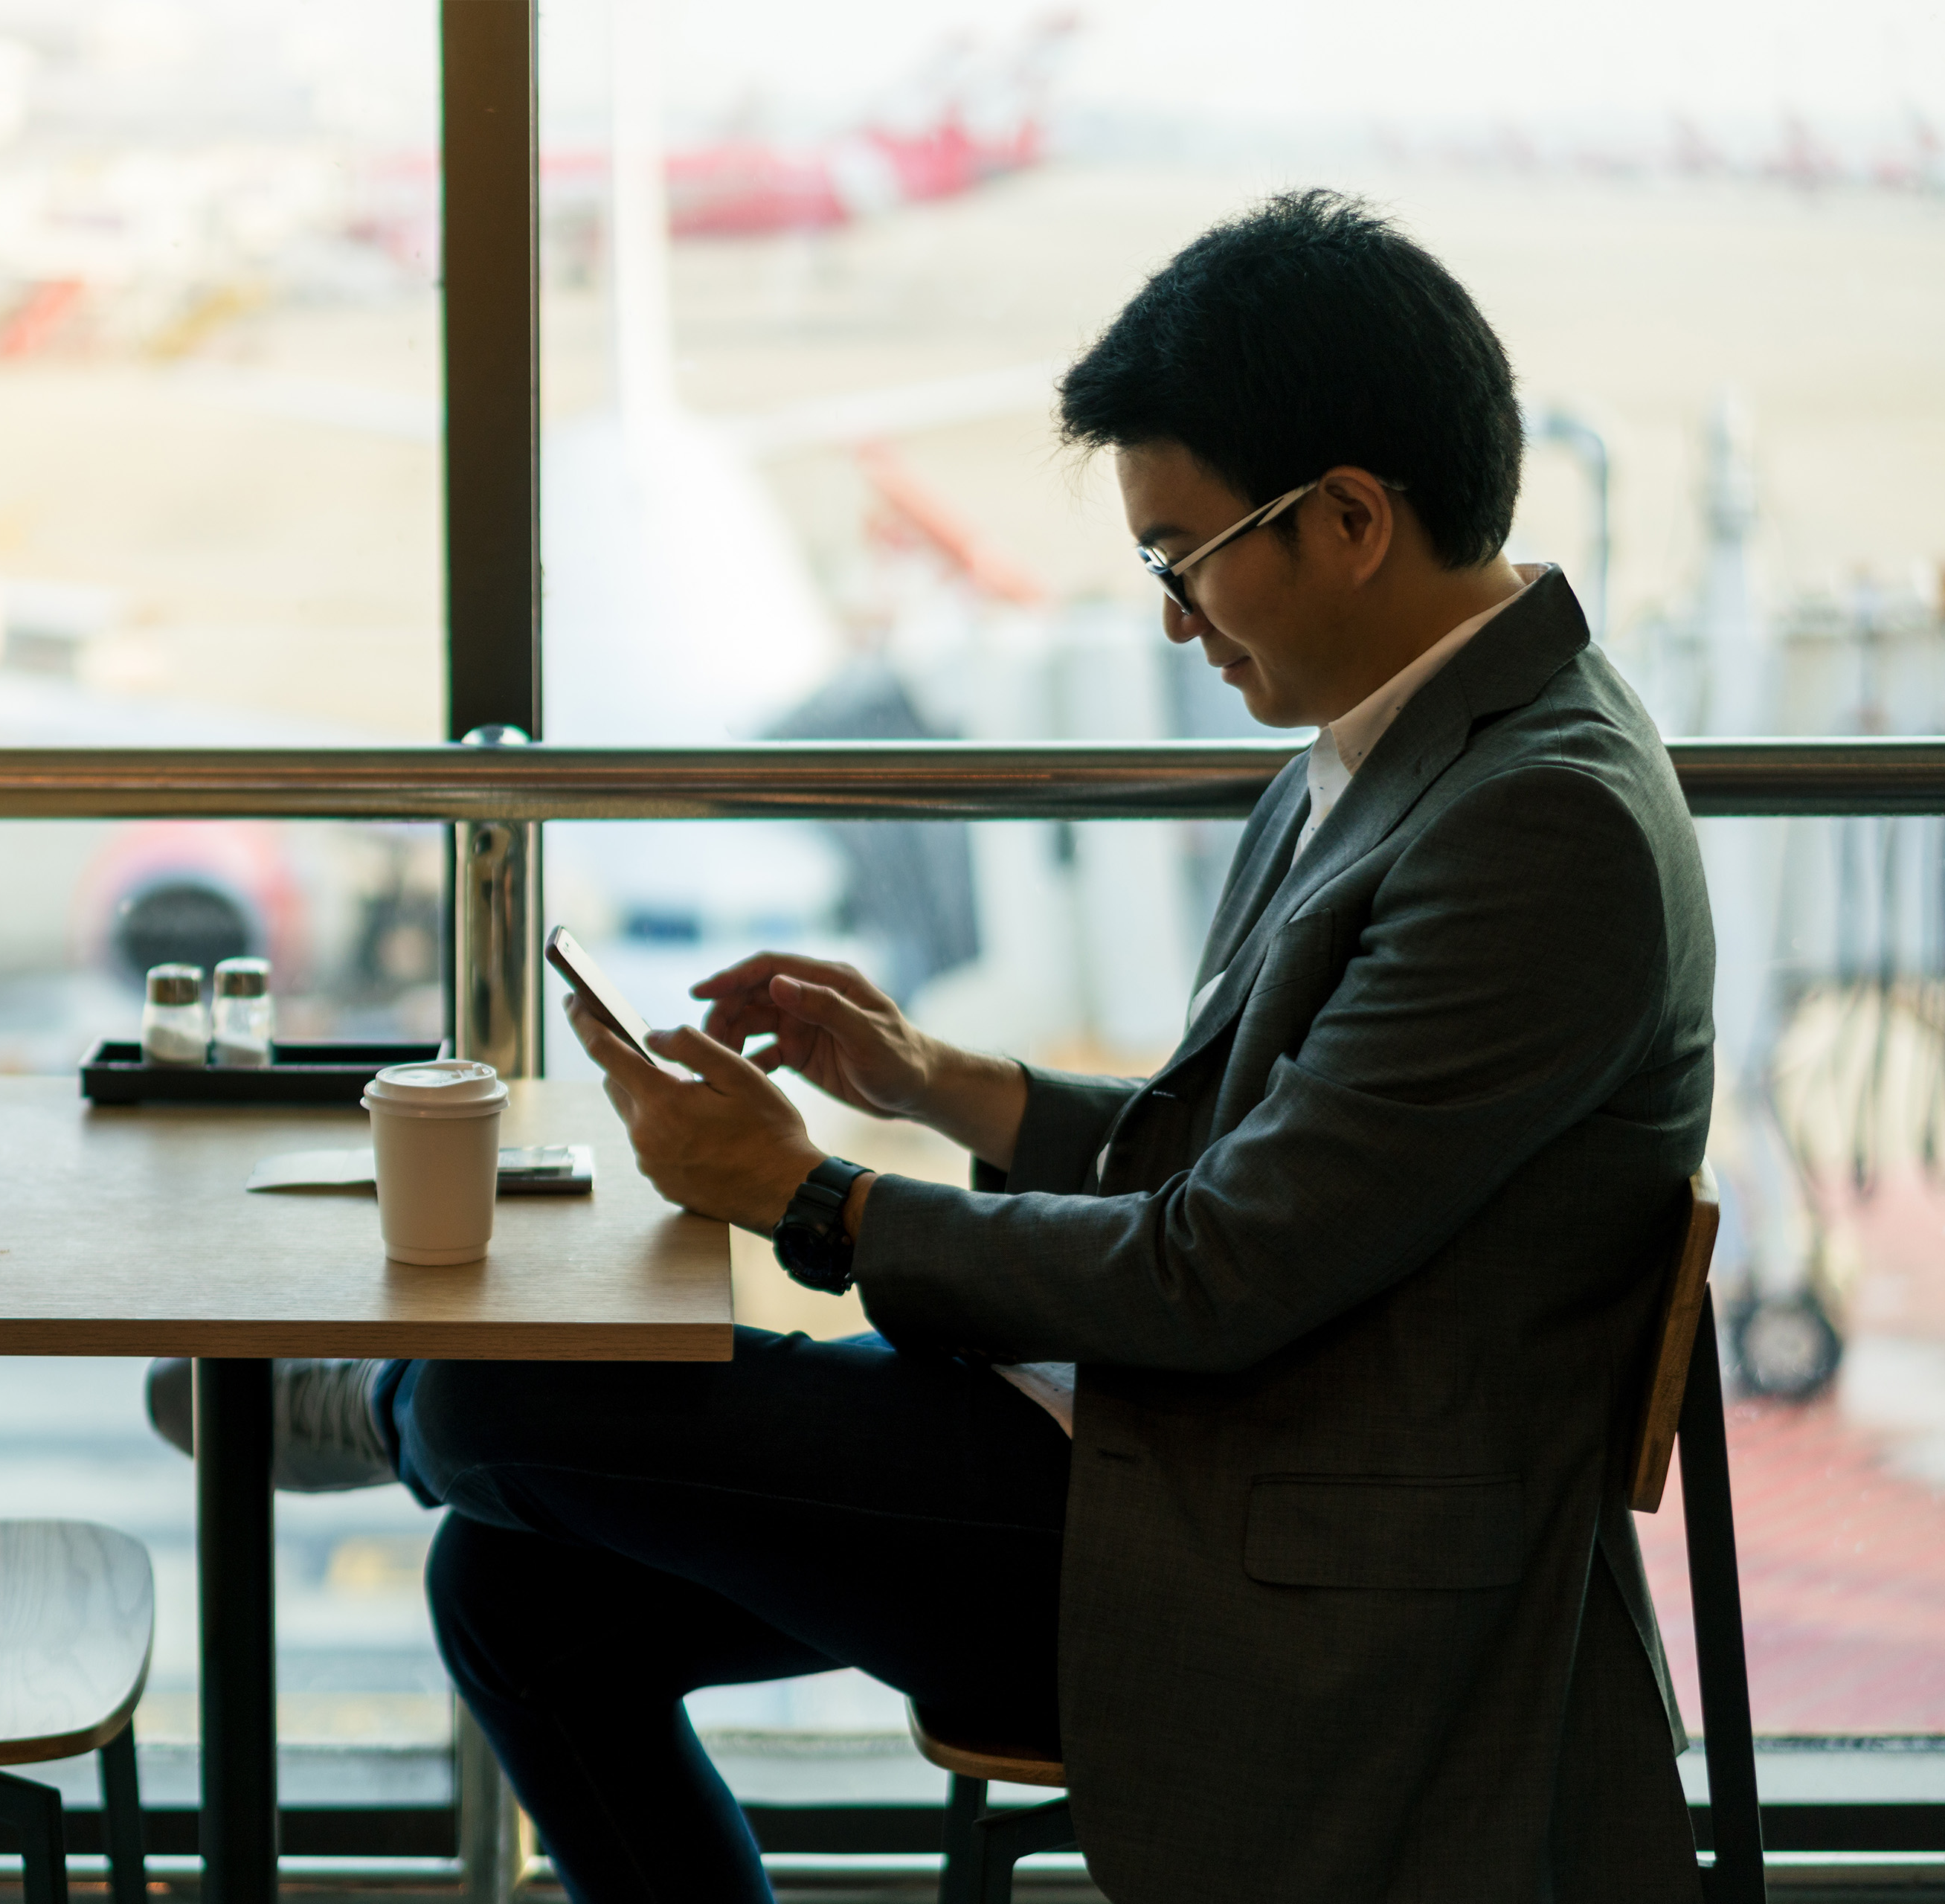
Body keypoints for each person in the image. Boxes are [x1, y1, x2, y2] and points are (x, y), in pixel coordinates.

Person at [145, 190, 1715, 1903]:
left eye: (1178, 555)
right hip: (1176, 1442)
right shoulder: (1408, 749)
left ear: (1343, 518)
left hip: (1290, 1552)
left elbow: (1217, 1269)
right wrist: (919, 1080)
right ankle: (413, 1407)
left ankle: (383, 1402)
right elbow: (1245, 1155)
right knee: (511, 1586)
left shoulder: (1533, 827)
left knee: (490, 1403)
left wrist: (810, 1199)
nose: (1172, 617)